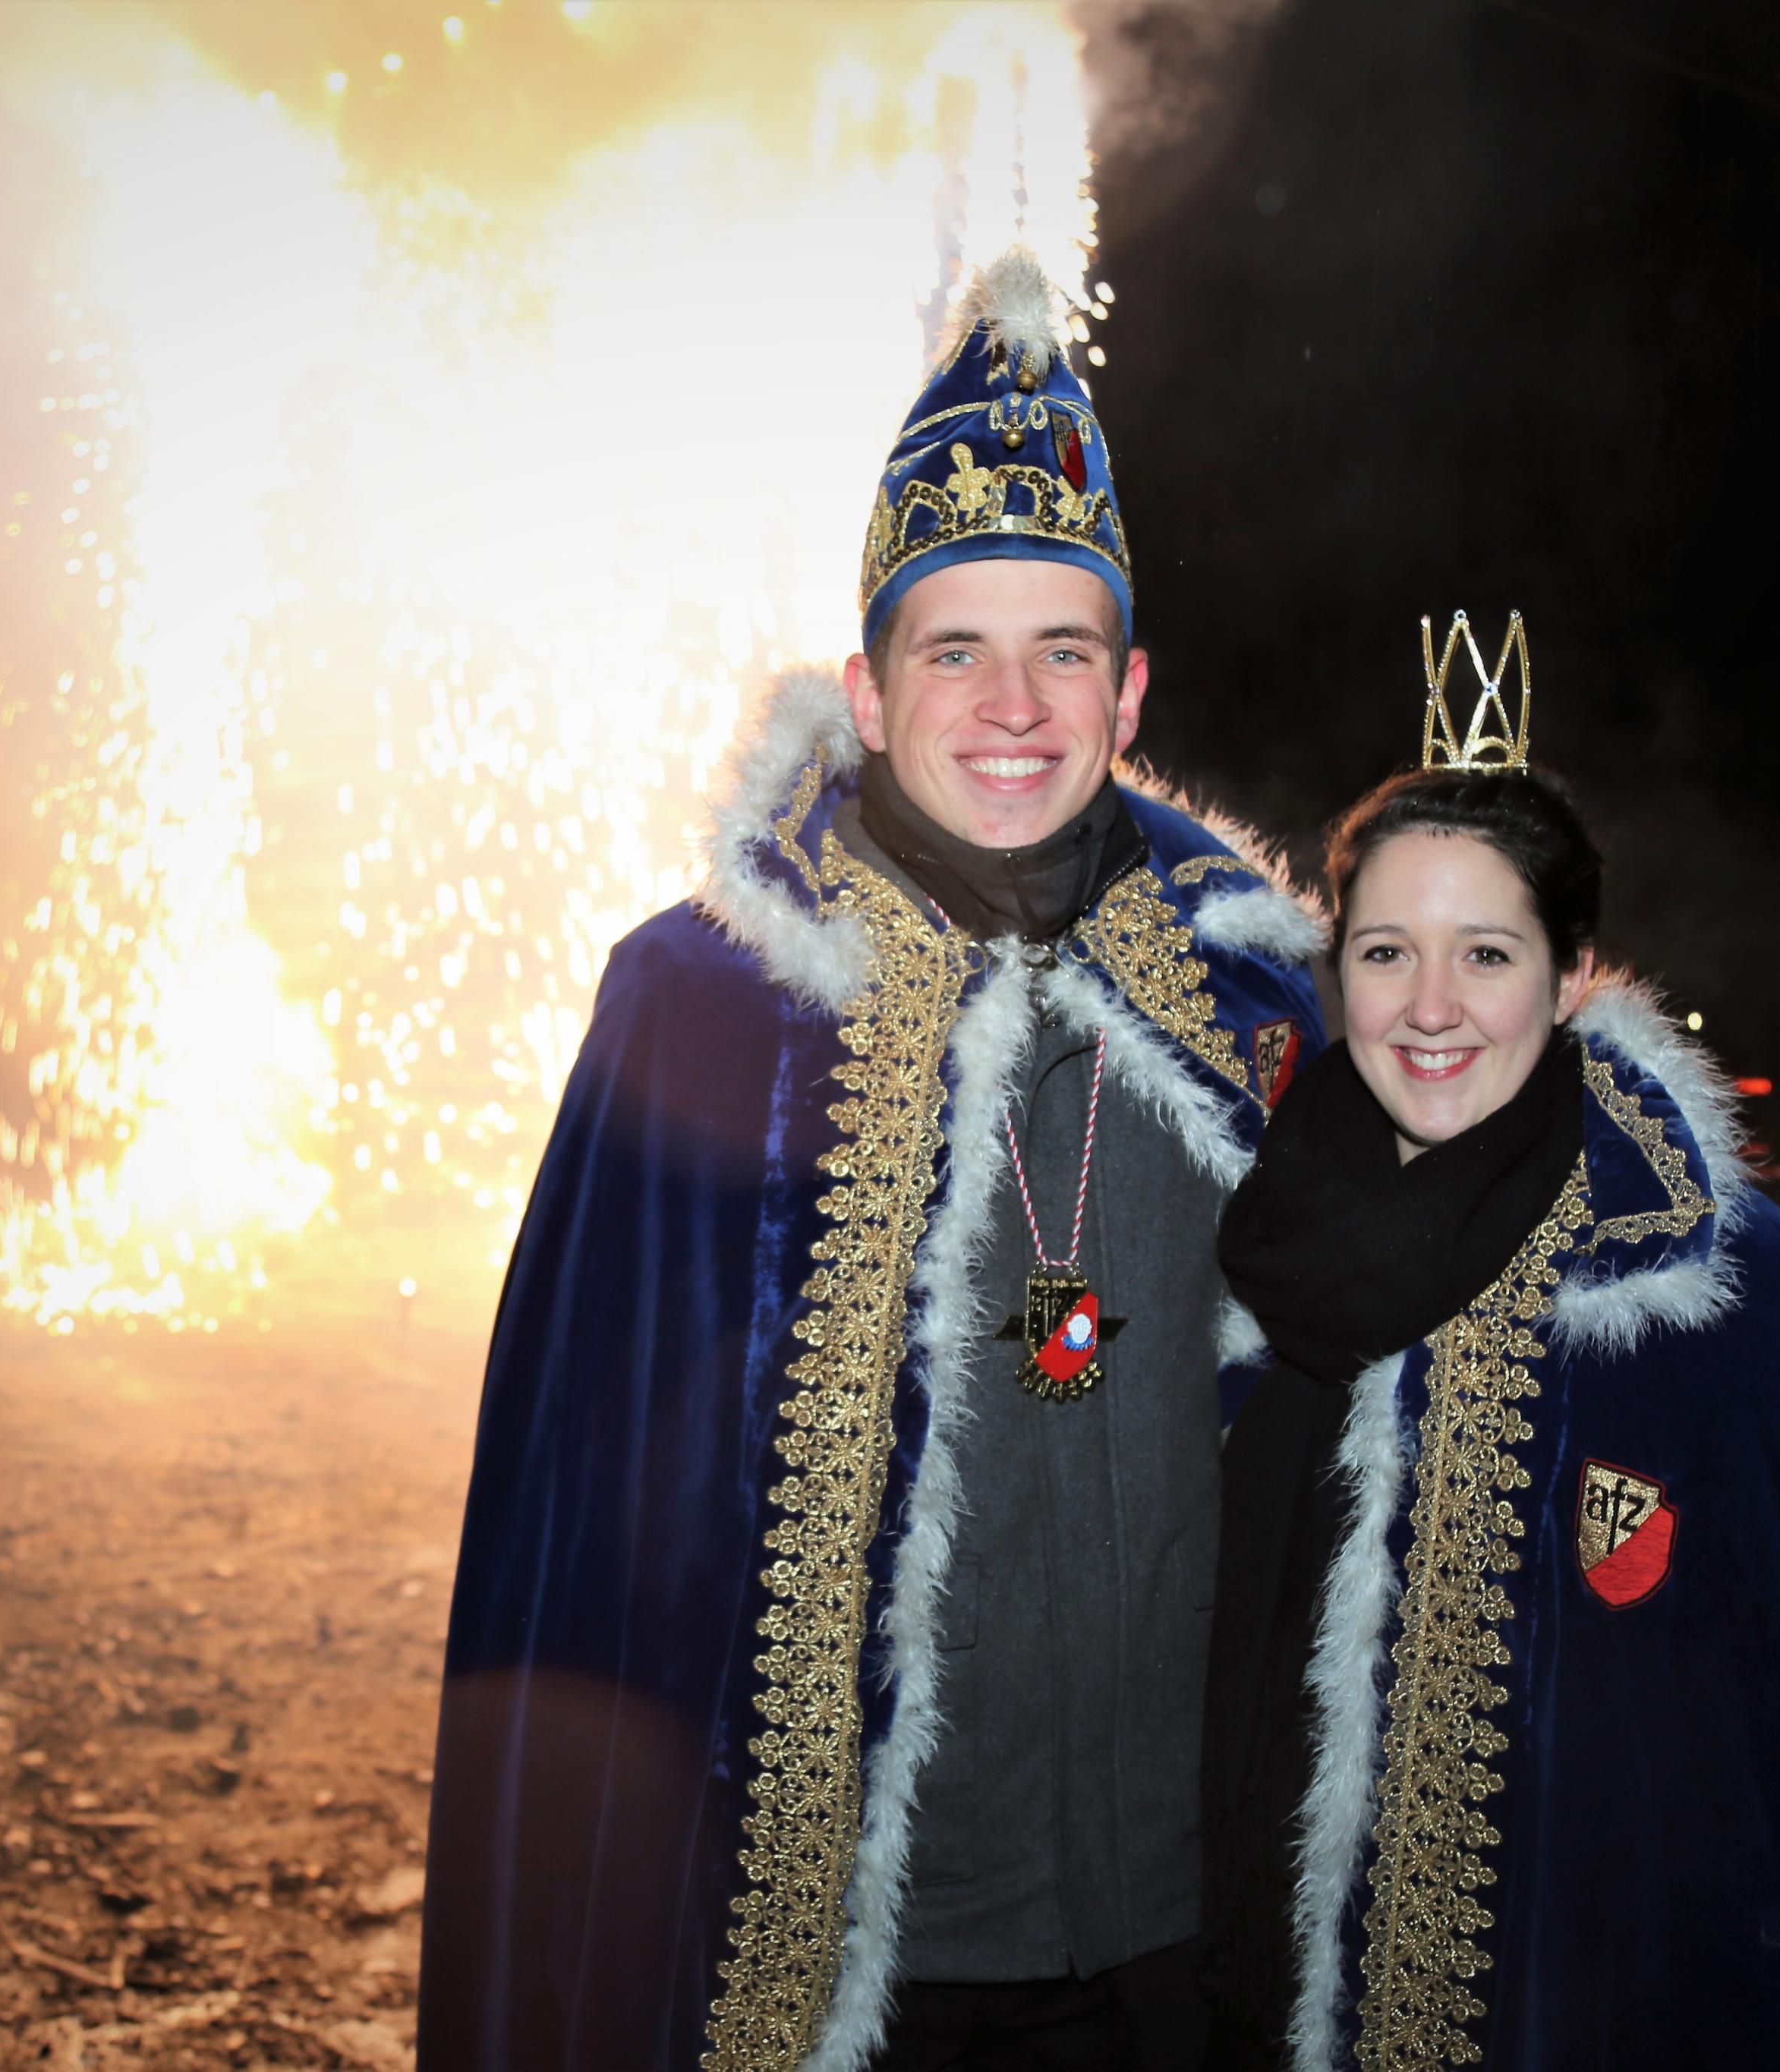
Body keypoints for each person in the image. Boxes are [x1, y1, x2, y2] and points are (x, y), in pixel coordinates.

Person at [418, 248, 1328, 2072]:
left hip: (1181, 1955)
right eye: (954, 650)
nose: (1013, 705)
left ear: (1129, 691)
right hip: (849, 1985)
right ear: (866, 682)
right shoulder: (700, 1010)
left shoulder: (1254, 1003)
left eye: (1061, 651)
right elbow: (579, 1534)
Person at [1199, 628, 1780, 2070]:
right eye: (1385, 951)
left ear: (1571, 973)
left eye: (1487, 953)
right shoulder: (1249, 1238)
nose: (1429, 1006)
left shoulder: (1730, 1290)